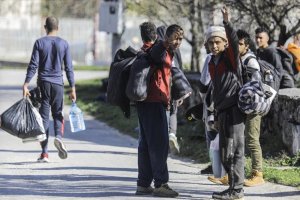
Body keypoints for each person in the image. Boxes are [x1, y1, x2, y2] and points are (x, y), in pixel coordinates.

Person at [135, 22, 183, 198]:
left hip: (145, 102)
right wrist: (165, 43)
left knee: (146, 144)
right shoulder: (159, 49)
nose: (177, 42)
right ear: (161, 36)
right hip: (155, 102)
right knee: (159, 145)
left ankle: (143, 184)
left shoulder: (144, 49)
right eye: (175, 38)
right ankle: (161, 184)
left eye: (180, 39)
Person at [23, 16, 76, 163]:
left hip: (44, 85)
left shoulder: (40, 42)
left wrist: (26, 83)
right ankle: (58, 137)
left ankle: (45, 154)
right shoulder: (64, 44)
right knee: (58, 115)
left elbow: (33, 65)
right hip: (58, 84)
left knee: (44, 118)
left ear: (45, 27)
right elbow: (69, 68)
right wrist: (72, 88)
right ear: (58, 28)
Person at [207, 7, 245, 200]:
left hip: (234, 110)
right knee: (224, 153)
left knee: (236, 151)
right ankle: (231, 186)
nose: (214, 45)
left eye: (218, 42)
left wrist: (227, 22)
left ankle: (237, 190)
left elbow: (234, 45)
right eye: (211, 42)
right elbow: (215, 89)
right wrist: (213, 113)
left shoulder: (231, 59)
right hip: (221, 111)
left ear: (225, 43)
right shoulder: (211, 62)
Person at [237, 29, 265, 187]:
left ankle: (258, 174)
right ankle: (234, 173)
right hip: (242, 105)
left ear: (246, 46)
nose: (237, 46)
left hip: (253, 105)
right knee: (238, 139)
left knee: (252, 139)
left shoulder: (250, 61)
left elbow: (256, 87)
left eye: (240, 44)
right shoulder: (238, 59)